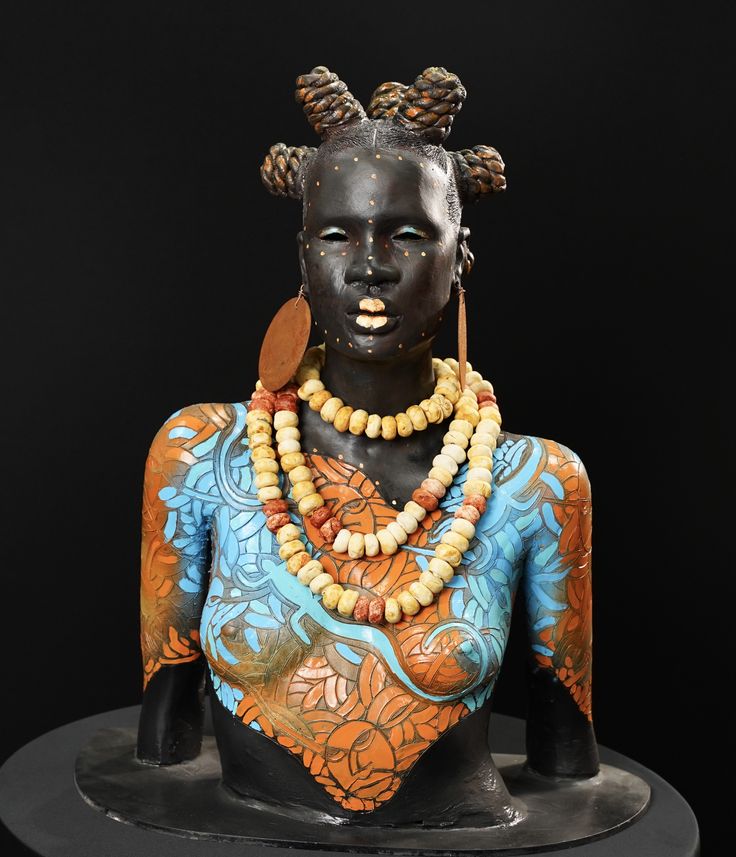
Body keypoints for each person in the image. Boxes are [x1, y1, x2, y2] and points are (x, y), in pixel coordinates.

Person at [136, 65, 599, 826]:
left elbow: (569, 762)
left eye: (409, 234)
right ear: (303, 259)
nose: (370, 267)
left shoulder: (537, 483)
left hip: (462, 833)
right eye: (336, 234)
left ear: (462, 257)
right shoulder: (197, 455)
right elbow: (160, 742)